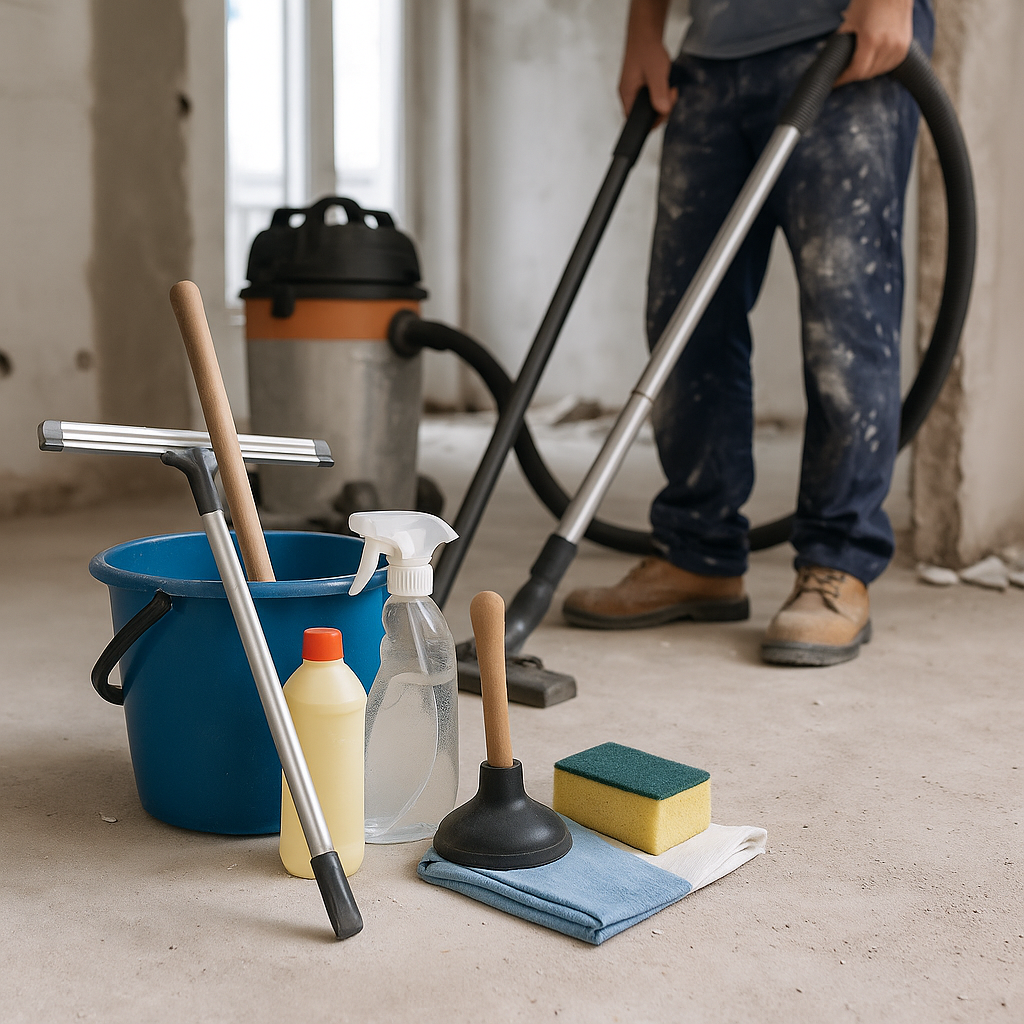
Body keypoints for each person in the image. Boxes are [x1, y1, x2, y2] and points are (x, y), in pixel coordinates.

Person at [562, 0, 934, 666]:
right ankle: (697, 550)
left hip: (842, 37)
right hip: (710, 56)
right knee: (684, 317)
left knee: (844, 322)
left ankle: (836, 564)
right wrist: (644, 31)